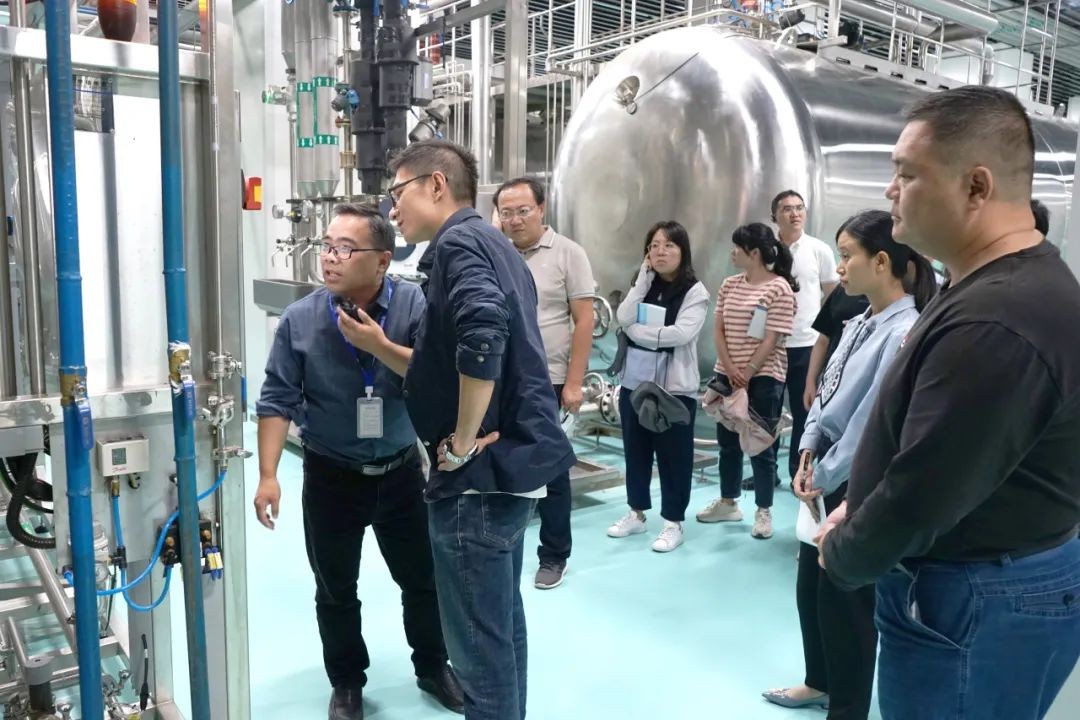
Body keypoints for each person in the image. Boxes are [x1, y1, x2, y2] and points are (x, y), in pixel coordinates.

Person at [818, 86, 1080, 719]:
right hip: (983, 587)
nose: (890, 190)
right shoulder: (991, 287)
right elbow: (941, 442)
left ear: (976, 187)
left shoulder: (998, 319)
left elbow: (922, 492)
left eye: (907, 174)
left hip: (975, 601)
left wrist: (845, 550)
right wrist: (858, 499)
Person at [386, 140, 576, 720]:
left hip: (478, 480)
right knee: (499, 630)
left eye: (397, 193)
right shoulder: (496, 244)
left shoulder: (458, 243)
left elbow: (483, 331)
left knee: (477, 652)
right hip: (508, 471)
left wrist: (463, 439)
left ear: (436, 185)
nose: (392, 209)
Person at [253, 203, 464, 720]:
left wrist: (379, 345)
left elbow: (437, 373)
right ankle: (347, 682)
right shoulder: (301, 320)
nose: (330, 258)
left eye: (345, 249)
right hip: (331, 476)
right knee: (335, 589)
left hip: (401, 473)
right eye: (327, 246)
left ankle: (433, 666)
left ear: (383, 260)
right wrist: (268, 475)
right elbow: (277, 399)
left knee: (422, 580)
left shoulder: (415, 305)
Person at [763, 210, 936, 718]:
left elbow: (870, 422)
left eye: (846, 256)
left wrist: (823, 473)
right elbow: (825, 395)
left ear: (881, 262)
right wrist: (806, 449)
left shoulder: (904, 331)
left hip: (855, 478)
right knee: (811, 588)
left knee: (847, 602)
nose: (839, 268)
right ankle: (818, 681)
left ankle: (848, 707)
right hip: (823, 470)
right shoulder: (859, 321)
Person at [494, 176, 596, 590]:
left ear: (541, 210)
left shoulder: (568, 253)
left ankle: (554, 555)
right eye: (506, 212)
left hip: (548, 380)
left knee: (551, 471)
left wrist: (574, 383)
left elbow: (584, 320)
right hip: (500, 380)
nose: (515, 220)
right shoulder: (496, 252)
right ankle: (503, 546)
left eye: (523, 211)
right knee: (502, 465)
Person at [605, 221, 709, 552]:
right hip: (634, 383)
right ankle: (636, 513)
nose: (660, 252)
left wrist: (637, 333)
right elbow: (623, 316)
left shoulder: (695, 292)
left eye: (669, 245)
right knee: (635, 451)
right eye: (654, 246)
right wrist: (642, 279)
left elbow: (681, 334)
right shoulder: (643, 285)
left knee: (674, 457)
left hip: (674, 388)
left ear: (683, 251)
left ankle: (673, 523)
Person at [695, 223, 797, 539]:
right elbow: (718, 330)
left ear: (753, 253)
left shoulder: (779, 288)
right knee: (728, 443)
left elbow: (771, 338)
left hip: (764, 376)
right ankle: (728, 502)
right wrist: (729, 367)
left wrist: (748, 371)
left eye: (737, 248)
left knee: (760, 444)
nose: (732, 253)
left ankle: (763, 510)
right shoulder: (730, 284)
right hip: (727, 373)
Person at [771, 191, 838, 483]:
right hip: (769, 346)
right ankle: (766, 473)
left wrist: (824, 333)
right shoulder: (766, 251)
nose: (795, 214)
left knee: (804, 412)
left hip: (806, 345)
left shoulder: (818, 250)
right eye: (787, 209)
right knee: (767, 412)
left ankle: (797, 472)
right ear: (775, 216)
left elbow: (832, 294)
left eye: (799, 208)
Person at [801, 285, 869, 410]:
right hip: (830, 377)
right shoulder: (842, 290)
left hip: (862, 383)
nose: (841, 273)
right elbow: (823, 339)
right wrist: (810, 380)